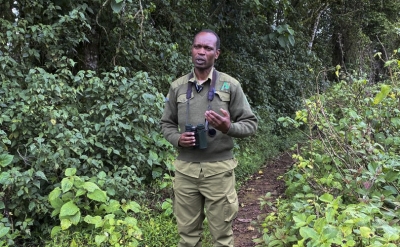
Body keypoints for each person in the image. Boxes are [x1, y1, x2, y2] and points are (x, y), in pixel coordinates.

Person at [160, 29, 258, 247]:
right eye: (197, 46)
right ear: (191, 49)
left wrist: (228, 126)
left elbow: (250, 124)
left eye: (207, 48)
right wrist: (177, 138)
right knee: (187, 236)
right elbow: (166, 124)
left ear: (217, 53)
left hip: (219, 171)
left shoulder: (230, 85)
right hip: (185, 171)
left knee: (222, 237)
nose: (201, 52)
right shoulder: (177, 87)